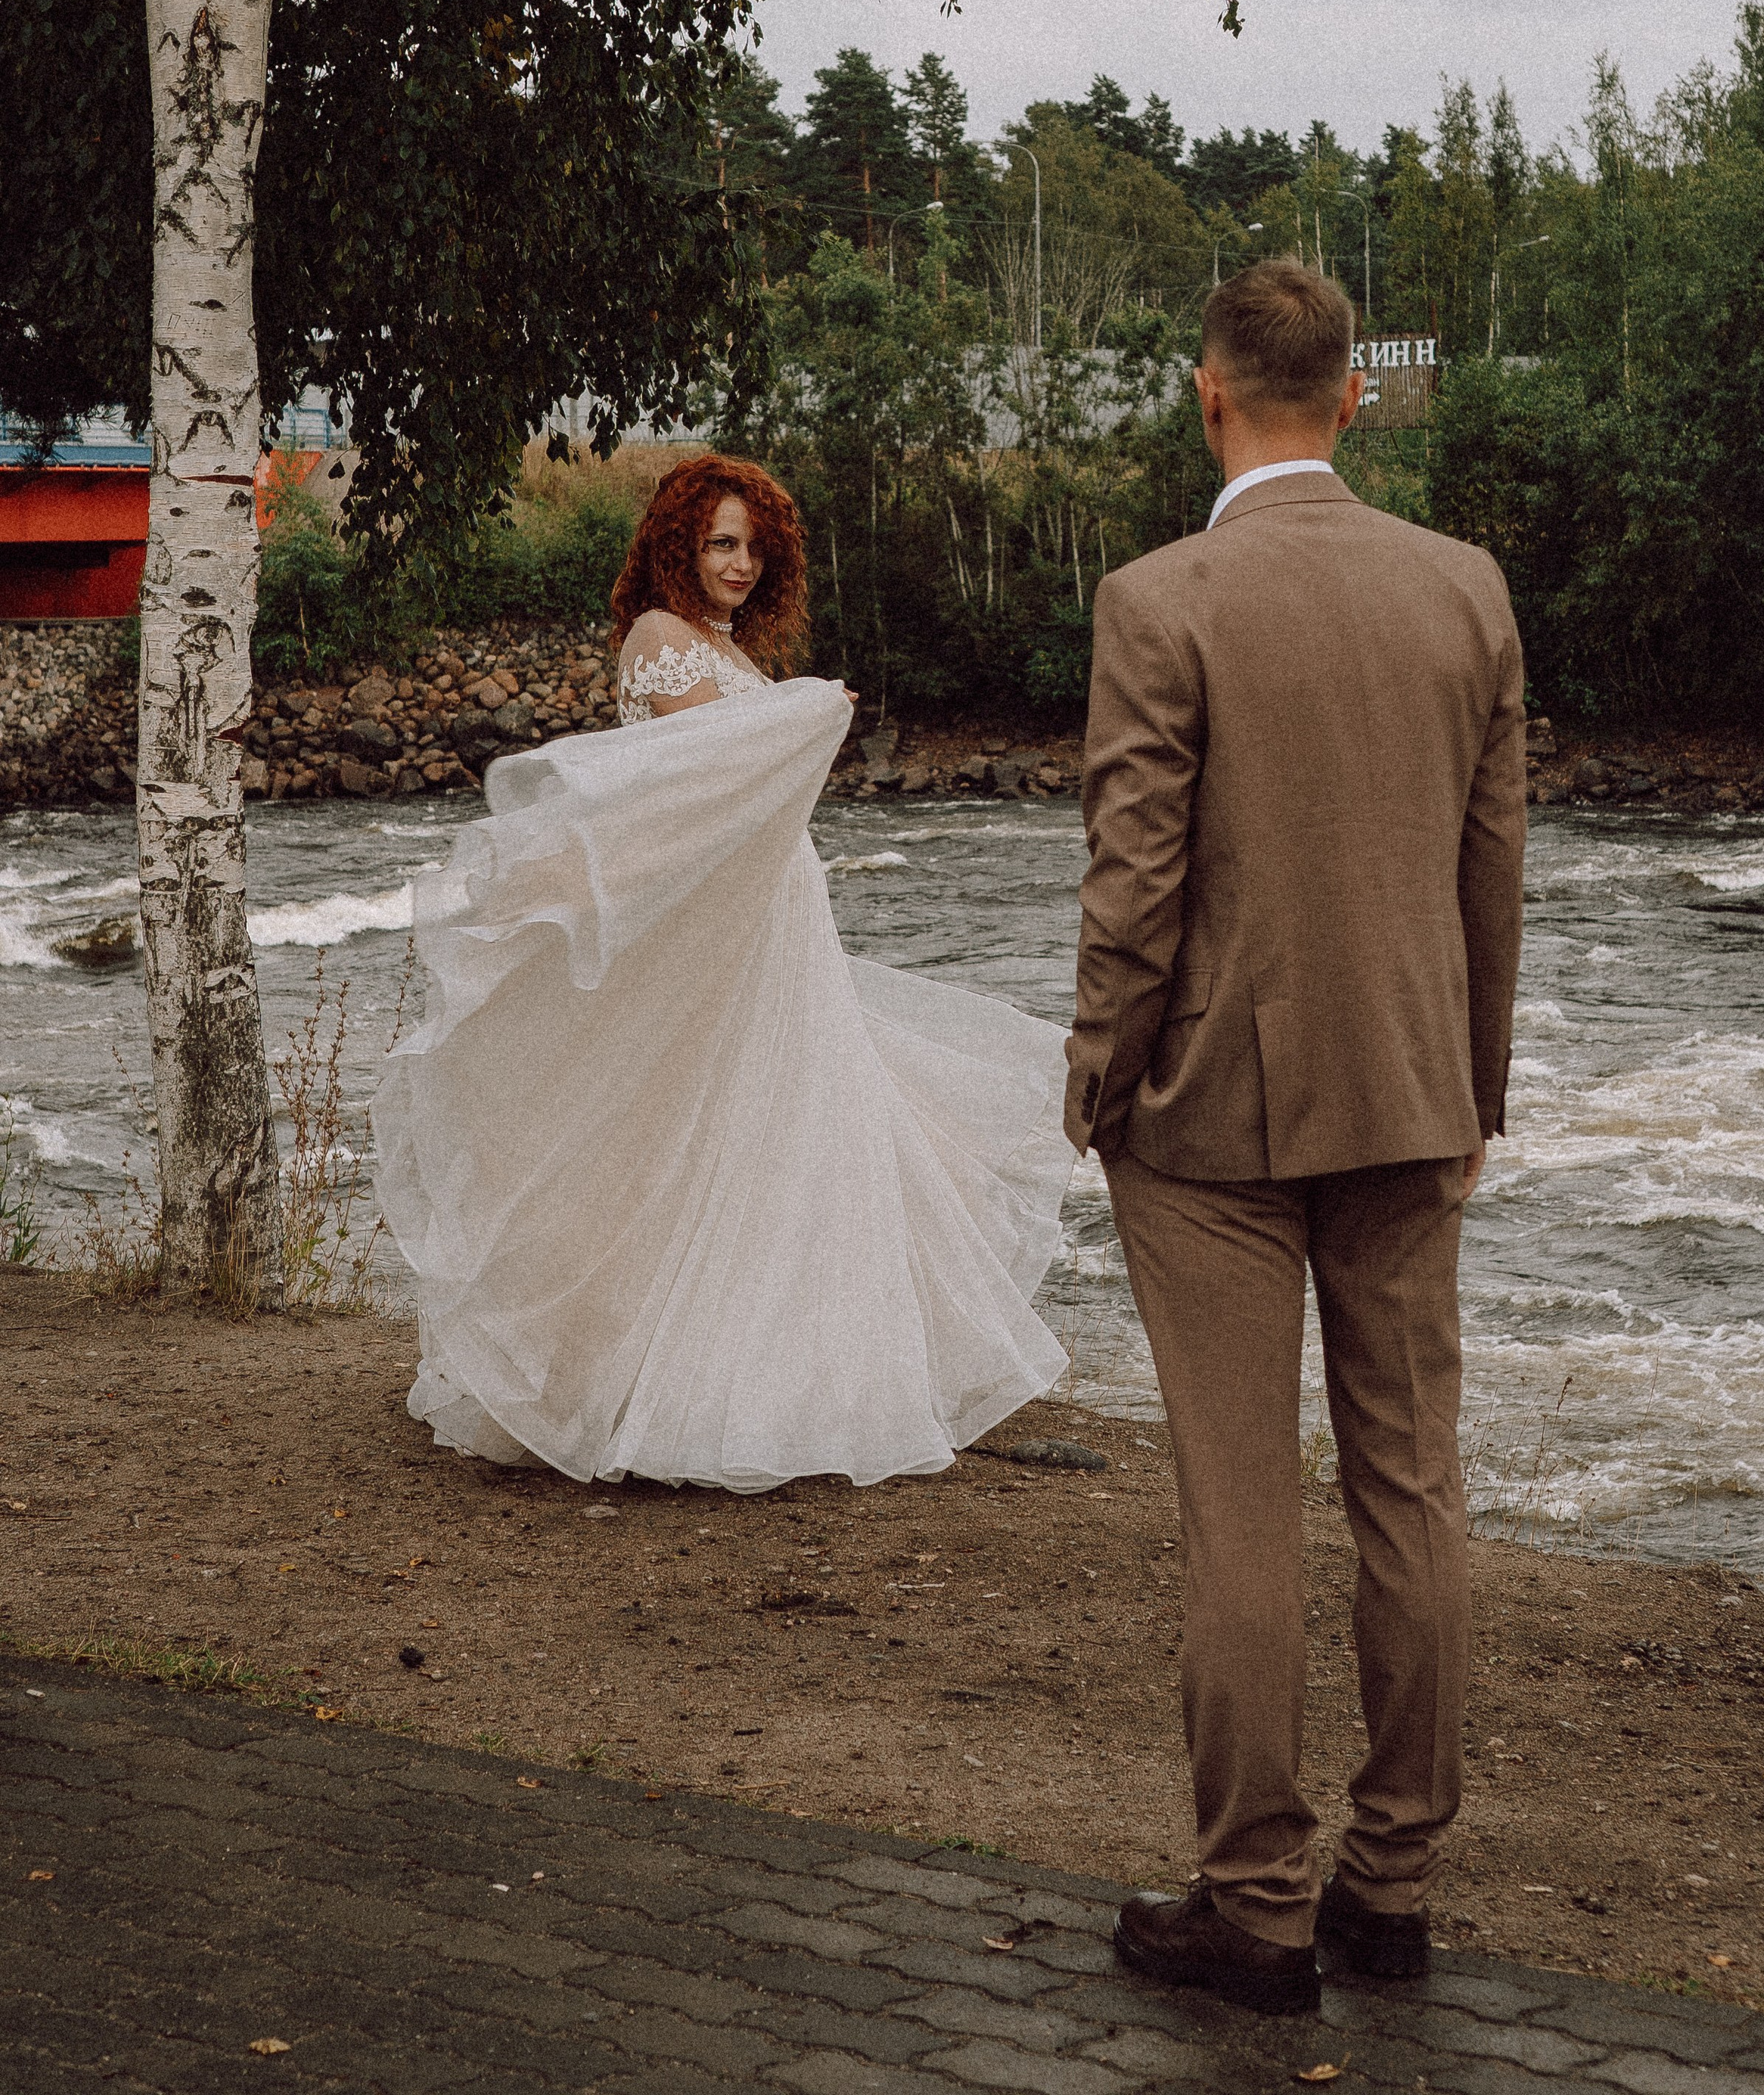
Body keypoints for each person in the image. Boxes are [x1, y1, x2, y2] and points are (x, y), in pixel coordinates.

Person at [1067, 260, 1525, 2018]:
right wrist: (1473, 1088)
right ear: (1350, 395)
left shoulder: (1157, 601)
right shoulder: (1462, 590)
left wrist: (1098, 1078)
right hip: (1409, 1097)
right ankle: (1388, 1886)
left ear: (1205, 394)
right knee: (1410, 1486)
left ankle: (1254, 1906)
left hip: (1213, 1122)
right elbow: (1489, 870)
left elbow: (1135, 885)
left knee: (1240, 1503)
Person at [374, 451, 1072, 1494]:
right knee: (716, 1124)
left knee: (793, 1121)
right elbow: (709, 777)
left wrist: (798, 711)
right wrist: (806, 712)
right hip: (729, 915)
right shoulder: (661, 638)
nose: (741, 565)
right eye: (721, 545)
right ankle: (682, 1394)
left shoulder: (723, 644)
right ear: (678, 547)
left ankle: (792, 1383)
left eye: (755, 548)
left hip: (774, 905)